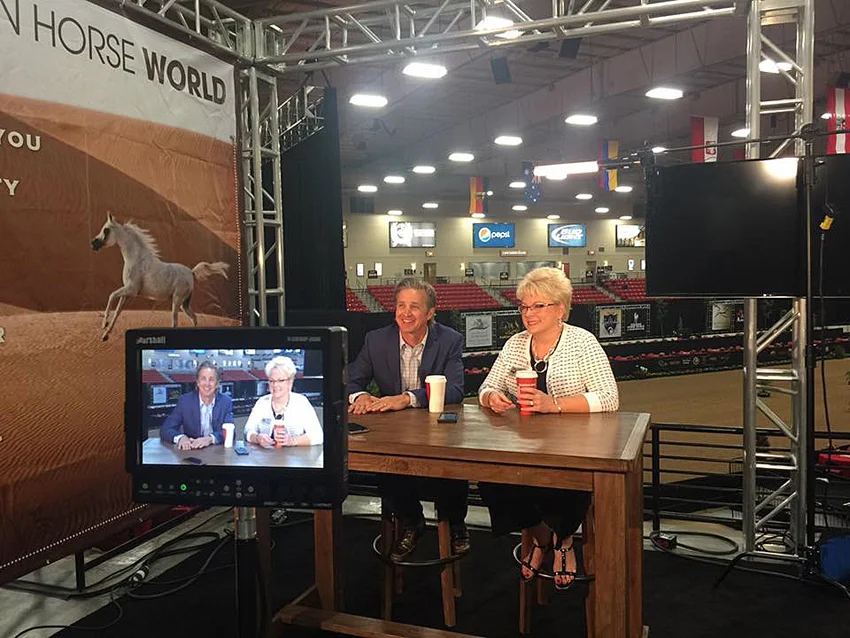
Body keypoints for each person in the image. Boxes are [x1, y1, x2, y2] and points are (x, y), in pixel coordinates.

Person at [477, 267, 619, 590]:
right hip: (525, 449)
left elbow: (609, 398)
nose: (528, 314)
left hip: (573, 449)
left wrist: (553, 404)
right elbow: (485, 388)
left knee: (562, 481)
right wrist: (492, 397)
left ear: (560, 309)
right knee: (491, 478)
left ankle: (565, 540)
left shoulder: (583, 343)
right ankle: (543, 537)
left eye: (538, 306)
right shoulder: (515, 344)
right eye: (524, 306)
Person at [347, 277, 468, 559]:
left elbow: (456, 390)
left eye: (415, 307)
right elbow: (350, 381)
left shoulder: (450, 340)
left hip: (438, 431)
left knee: (453, 465)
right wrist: (360, 396)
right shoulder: (376, 340)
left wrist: (407, 397)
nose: (406, 313)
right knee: (387, 468)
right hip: (394, 434)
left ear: (430, 313)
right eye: (401, 305)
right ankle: (412, 522)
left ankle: (455, 524)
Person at [244, 356, 323, 447]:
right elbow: (247, 431)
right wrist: (258, 438)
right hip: (266, 459)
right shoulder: (262, 402)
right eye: (271, 381)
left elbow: (318, 436)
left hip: (296, 459)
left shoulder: (301, 402)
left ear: (290, 382)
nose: (275, 385)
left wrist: (293, 441)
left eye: (280, 380)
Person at [160, 361, 233, 450]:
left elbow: (231, 432)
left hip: (217, 452)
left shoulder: (225, 402)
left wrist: (210, 439)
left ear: (217, 384)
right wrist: (180, 438)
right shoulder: (185, 401)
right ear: (198, 382)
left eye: (211, 379)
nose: (207, 384)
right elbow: (166, 429)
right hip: (191, 450)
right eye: (203, 379)